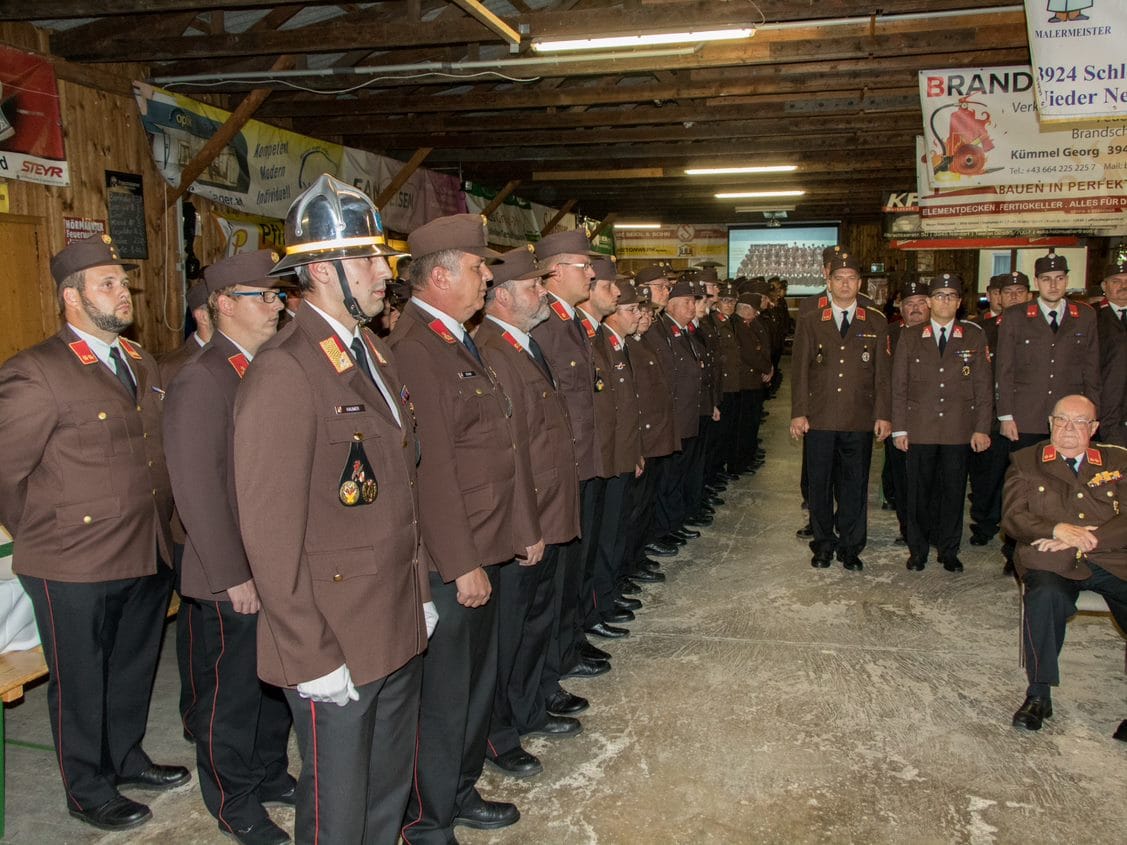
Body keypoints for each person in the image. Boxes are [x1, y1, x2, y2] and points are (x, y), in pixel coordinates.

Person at [234, 175, 433, 844]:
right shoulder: (285, 370)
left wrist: (419, 588)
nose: (386, 272)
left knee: (384, 792)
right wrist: (307, 650)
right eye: (369, 258)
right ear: (320, 271)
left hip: (392, 616)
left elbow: (402, 484)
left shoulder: (369, 349)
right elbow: (269, 532)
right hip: (334, 631)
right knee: (338, 809)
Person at [0, 234, 189, 832]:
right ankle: (88, 787)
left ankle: (125, 756)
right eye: (106, 283)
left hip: (144, 546)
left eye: (123, 282)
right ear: (70, 298)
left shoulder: (139, 361)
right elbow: (5, 471)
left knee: (132, 667)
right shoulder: (36, 371)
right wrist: (43, 530)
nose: (122, 292)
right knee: (82, 680)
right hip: (71, 560)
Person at [391, 214, 543, 843]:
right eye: (480, 268)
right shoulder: (416, 347)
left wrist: (518, 530)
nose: (489, 277)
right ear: (442, 274)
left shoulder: (456, 337)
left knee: (477, 684)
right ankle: (427, 818)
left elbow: (500, 446)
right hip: (457, 553)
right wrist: (460, 561)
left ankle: (459, 787)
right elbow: (433, 467)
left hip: (489, 536)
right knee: (445, 694)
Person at [163, 251, 294, 845]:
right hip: (229, 570)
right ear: (221, 303)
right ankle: (232, 798)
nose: (274, 306)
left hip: (271, 560)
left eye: (276, 297)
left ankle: (268, 772)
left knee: (272, 680)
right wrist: (230, 573)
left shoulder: (265, 366)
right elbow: (196, 488)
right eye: (260, 297)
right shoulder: (203, 376)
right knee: (230, 695)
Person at [476, 246, 581, 778]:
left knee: (537, 618)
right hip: (526, 516)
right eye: (534, 286)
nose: (543, 293)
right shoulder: (492, 350)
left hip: (548, 505)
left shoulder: (524, 343)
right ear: (502, 296)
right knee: (509, 632)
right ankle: (500, 732)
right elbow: (508, 450)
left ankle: (531, 704)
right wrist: (524, 524)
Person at [1003, 395, 1127, 737]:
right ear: (1049, 423)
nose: (1069, 429)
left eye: (1079, 422)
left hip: (1112, 557)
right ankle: (1039, 695)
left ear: (1095, 428)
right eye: (1061, 421)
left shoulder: (1118, 460)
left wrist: (1089, 538)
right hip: (1051, 560)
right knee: (1044, 597)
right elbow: (1014, 518)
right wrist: (1056, 529)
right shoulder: (1026, 460)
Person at [530, 230, 615, 701]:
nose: (591, 273)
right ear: (555, 271)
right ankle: (558, 656)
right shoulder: (545, 327)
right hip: (564, 470)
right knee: (557, 579)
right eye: (584, 266)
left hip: (583, 462)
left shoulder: (569, 324)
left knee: (574, 569)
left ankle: (570, 641)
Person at [995, 251, 1100, 571]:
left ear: (1067, 280)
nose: (1053, 285)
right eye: (1045, 279)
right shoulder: (1016, 316)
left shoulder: (1085, 316)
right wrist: (1005, 416)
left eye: (1059, 279)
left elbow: (1091, 370)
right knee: (1024, 483)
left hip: (1070, 420)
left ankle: (1064, 548)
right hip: (1027, 414)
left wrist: (1092, 419)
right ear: (1036, 284)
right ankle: (1016, 551)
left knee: (1068, 484)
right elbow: (1004, 369)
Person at [790, 251, 891, 571]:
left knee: (854, 484)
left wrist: (883, 414)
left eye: (851, 279)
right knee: (819, 485)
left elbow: (881, 374)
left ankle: (850, 545)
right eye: (838, 279)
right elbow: (800, 370)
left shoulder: (875, 320)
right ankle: (822, 544)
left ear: (859, 283)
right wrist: (798, 412)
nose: (845, 284)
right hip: (819, 418)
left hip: (858, 419)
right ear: (828, 282)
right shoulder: (810, 319)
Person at [891, 273, 992, 572]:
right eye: (939, 296)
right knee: (917, 494)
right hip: (919, 428)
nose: (944, 301)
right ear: (929, 301)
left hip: (958, 430)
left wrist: (982, 428)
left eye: (951, 296)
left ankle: (949, 550)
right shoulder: (910, 336)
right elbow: (900, 386)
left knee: (953, 493)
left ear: (959, 303)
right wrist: (900, 428)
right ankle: (918, 550)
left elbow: (983, 387)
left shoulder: (973, 336)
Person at [157, 278, 213, 741]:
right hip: (186, 522)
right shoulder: (175, 367)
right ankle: (196, 713)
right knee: (196, 631)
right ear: (203, 313)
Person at [968, 271, 1032, 550]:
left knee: (1023, 479)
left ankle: (1017, 536)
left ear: (1029, 295)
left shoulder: (1040, 326)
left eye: (1020, 291)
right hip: (992, 416)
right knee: (987, 477)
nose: (1015, 296)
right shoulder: (984, 329)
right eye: (1009, 292)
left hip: (1028, 414)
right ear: (998, 297)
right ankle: (983, 523)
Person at [883, 278, 930, 541]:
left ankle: (930, 528)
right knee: (902, 480)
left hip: (934, 420)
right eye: (909, 303)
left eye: (921, 303)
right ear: (900, 308)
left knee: (931, 480)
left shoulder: (943, 334)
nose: (915, 308)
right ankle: (908, 529)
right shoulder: (889, 334)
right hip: (898, 418)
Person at [1095, 258, 1127, 447]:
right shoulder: (1091, 317)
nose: (1123, 286)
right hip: (1106, 409)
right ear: (1104, 286)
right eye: (1117, 281)